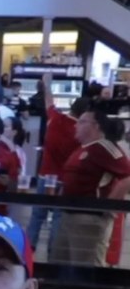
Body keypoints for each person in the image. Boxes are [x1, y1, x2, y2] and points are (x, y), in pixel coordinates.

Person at [36, 109, 130, 289]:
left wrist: (112, 202)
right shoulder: (82, 150)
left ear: (96, 125)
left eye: (83, 122)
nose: (76, 126)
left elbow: (128, 173)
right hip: (68, 216)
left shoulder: (105, 148)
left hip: (90, 219)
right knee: (66, 266)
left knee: (92, 271)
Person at [29, 75, 86, 251]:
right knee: (58, 218)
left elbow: (49, 102)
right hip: (65, 179)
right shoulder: (81, 133)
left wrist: (47, 84)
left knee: (37, 215)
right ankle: (52, 253)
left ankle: (29, 251)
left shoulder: (55, 119)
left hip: (45, 176)